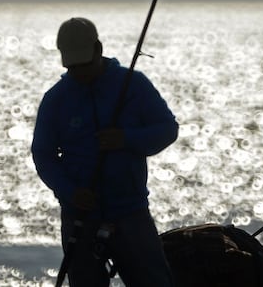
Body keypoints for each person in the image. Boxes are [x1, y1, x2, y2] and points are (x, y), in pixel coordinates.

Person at [32, 17, 178, 287]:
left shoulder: (133, 84)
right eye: (73, 66)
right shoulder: (56, 99)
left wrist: (126, 139)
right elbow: (43, 155)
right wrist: (69, 191)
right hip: (80, 215)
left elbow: (167, 129)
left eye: (84, 64)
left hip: (130, 211)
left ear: (98, 49)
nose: (80, 72)